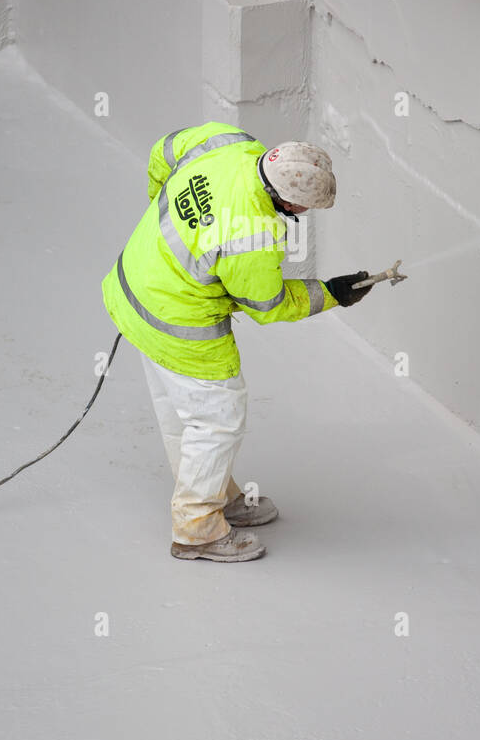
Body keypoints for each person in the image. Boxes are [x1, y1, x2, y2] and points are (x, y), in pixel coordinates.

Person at [102, 123, 371, 562]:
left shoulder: (230, 142)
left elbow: (162, 151)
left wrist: (161, 212)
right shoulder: (254, 235)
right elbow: (269, 304)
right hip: (177, 322)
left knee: (181, 413)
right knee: (217, 419)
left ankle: (213, 493)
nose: (305, 215)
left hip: (134, 285)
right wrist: (333, 294)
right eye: (305, 208)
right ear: (288, 201)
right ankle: (198, 529)